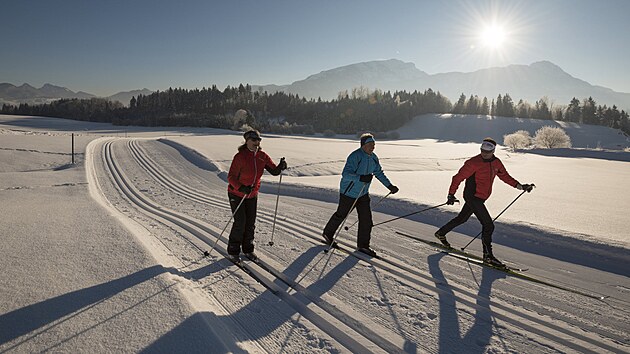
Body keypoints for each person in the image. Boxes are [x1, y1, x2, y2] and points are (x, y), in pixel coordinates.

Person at [434, 137, 534, 266]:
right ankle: (488, 256)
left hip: (481, 197)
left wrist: (520, 186)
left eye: (487, 152)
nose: (484, 154)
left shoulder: (496, 163)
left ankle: (441, 233)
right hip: (472, 197)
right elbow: (457, 178)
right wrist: (451, 194)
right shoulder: (473, 163)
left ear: (493, 151)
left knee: (462, 219)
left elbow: (505, 176)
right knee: (488, 225)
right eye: (482, 151)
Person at [323, 133, 399, 257]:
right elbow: (346, 174)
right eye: (370, 144)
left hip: (363, 193)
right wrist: (361, 178)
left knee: (366, 220)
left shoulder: (373, 158)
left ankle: (363, 245)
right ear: (363, 145)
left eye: (374, 144)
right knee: (341, 214)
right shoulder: (355, 156)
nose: (373, 147)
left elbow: (379, 173)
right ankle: (328, 233)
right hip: (349, 192)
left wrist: (389, 186)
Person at [226, 129, 287, 262]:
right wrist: (242, 188)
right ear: (246, 141)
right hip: (236, 193)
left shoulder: (262, 156)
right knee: (240, 222)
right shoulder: (240, 156)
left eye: (259, 140)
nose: (256, 142)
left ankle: (248, 249)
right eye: (253, 140)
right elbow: (230, 177)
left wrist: (280, 166)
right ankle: (233, 250)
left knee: (250, 223)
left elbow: (274, 171)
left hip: (252, 194)